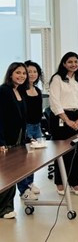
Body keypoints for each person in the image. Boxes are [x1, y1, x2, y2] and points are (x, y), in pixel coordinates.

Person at [49, 52, 78, 196]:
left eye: (76, 61)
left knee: (77, 151)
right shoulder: (57, 78)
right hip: (61, 117)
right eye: (70, 61)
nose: (73, 64)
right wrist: (67, 120)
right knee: (61, 152)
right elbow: (54, 101)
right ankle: (60, 182)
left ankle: (74, 183)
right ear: (64, 63)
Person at [0, 63, 28, 219]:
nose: (22, 75)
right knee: (7, 175)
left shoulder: (19, 91)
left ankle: (7, 206)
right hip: (6, 139)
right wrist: (0, 141)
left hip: (18, 139)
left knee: (12, 173)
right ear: (10, 74)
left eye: (24, 73)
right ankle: (4, 209)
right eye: (18, 72)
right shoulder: (4, 91)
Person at [18, 60, 44, 201]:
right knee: (24, 160)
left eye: (35, 71)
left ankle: (30, 182)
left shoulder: (38, 90)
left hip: (37, 126)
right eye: (29, 72)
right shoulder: (20, 90)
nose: (32, 74)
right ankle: (23, 190)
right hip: (26, 127)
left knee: (34, 158)